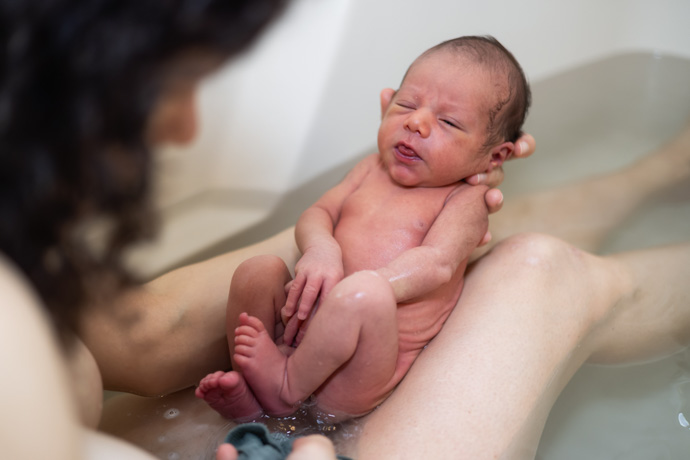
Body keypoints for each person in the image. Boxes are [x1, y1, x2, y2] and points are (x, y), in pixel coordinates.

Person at [2, 1, 688, 460]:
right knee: (537, 269)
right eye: (164, 83)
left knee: (450, 242)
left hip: (335, 322)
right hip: (328, 370)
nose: (185, 127)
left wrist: (408, 200)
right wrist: (346, 239)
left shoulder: (29, 324)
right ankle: (646, 178)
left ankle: (645, 176)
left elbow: (436, 260)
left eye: (448, 121)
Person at [195, 36, 531, 422]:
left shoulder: (465, 200)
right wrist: (322, 250)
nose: (416, 122)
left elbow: (438, 263)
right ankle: (252, 392)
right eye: (406, 104)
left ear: (495, 156)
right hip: (300, 328)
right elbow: (318, 212)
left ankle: (287, 388)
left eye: (448, 121)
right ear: (387, 102)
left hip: (358, 370)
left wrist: (362, 291)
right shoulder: (370, 168)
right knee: (258, 269)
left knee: (365, 293)